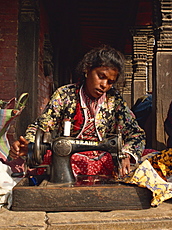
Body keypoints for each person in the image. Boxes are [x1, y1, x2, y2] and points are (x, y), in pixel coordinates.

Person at [9, 45, 146, 178]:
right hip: (70, 158)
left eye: (110, 82)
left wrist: (126, 154)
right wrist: (29, 144)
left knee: (151, 160)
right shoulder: (65, 95)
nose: (104, 85)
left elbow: (136, 133)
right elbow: (41, 126)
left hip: (104, 159)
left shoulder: (115, 101)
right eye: (101, 76)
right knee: (55, 164)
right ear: (87, 70)